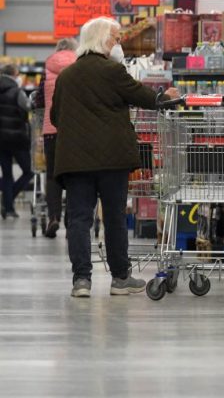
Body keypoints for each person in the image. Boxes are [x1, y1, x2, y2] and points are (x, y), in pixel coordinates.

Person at [51, 17, 179, 298]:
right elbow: (144, 97)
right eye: (115, 38)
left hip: (75, 160)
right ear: (101, 39)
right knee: (114, 218)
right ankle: (120, 278)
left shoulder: (66, 76)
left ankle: (81, 281)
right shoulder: (113, 71)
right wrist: (166, 96)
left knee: (79, 219)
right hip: (112, 160)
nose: (118, 43)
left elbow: (55, 117)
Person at [42, 37, 78, 238]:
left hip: (50, 130)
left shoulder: (48, 66)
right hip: (74, 130)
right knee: (74, 175)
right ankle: (71, 221)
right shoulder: (79, 65)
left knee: (52, 176)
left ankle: (53, 217)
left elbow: (39, 98)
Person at [0, 63, 34, 220]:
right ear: (14, 75)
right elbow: (28, 107)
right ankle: (8, 199)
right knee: (29, 170)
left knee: (7, 174)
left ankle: (8, 208)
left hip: (1, 140)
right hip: (17, 139)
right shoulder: (17, 91)